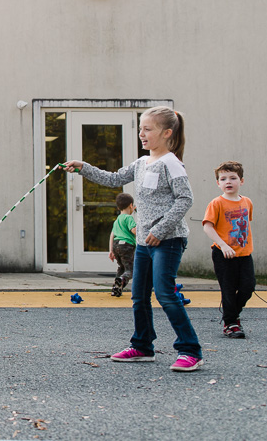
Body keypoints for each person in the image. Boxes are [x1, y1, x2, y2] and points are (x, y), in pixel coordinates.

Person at [64, 106, 203, 372]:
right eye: (140, 128)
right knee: (139, 296)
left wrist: (160, 231)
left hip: (168, 241)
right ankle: (142, 346)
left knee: (165, 294)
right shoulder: (141, 163)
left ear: (167, 133)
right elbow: (114, 178)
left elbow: (185, 199)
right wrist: (83, 168)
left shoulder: (171, 163)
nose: (141, 134)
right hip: (143, 243)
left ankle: (190, 350)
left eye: (147, 129)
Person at [202, 161, 255, 339]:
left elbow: (244, 226)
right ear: (218, 183)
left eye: (233, 178)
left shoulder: (247, 202)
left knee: (248, 287)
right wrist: (223, 245)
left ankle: (231, 314)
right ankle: (231, 323)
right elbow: (208, 227)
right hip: (223, 254)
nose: (228, 182)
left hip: (244, 254)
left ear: (241, 181)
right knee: (228, 289)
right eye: (223, 179)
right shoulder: (216, 203)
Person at [109, 193, 137, 297]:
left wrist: (111, 251)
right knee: (130, 269)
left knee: (121, 267)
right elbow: (134, 230)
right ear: (131, 205)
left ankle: (116, 288)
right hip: (127, 246)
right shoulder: (129, 218)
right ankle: (122, 280)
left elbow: (112, 235)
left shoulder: (117, 220)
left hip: (116, 245)